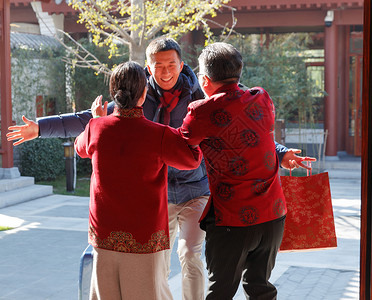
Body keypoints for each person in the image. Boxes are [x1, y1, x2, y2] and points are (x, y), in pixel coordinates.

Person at [7, 37, 312, 299]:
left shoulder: (201, 100)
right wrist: (40, 128)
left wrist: (280, 152)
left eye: (171, 64)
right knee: (159, 263)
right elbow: (88, 121)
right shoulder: (139, 95)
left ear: (184, 66)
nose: (165, 71)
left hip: (196, 191)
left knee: (192, 255)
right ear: (147, 68)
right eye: (158, 65)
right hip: (163, 196)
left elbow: (241, 129)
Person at [178, 42, 315, 299]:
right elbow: (250, 135)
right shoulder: (261, 97)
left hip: (233, 220)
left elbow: (181, 141)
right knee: (260, 288)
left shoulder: (200, 113)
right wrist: (282, 152)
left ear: (204, 80)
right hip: (272, 216)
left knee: (220, 292)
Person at [74, 61, 202, 299]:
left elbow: (81, 148)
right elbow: (192, 159)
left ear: (115, 94)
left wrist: (97, 119)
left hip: (104, 233)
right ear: (144, 94)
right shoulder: (158, 134)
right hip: (145, 236)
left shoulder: (96, 128)